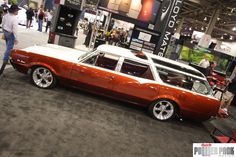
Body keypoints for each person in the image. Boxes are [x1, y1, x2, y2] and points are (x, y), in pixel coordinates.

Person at [0, 4, 20, 76]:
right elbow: (15, 30)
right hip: (11, 34)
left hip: (5, 32)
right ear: (14, 11)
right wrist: (16, 39)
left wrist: (4, 32)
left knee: (7, 47)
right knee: (9, 50)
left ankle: (7, 60)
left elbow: (2, 25)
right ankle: (2, 68)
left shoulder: (6, 16)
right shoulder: (14, 19)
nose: (18, 11)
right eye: (17, 10)